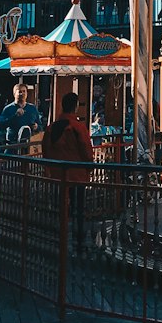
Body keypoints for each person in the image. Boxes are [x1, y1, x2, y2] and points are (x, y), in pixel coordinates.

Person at [42, 92, 94, 249]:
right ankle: (79, 240)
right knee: (78, 208)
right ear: (75, 106)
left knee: (61, 206)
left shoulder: (52, 128)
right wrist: (88, 166)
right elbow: (86, 150)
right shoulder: (77, 127)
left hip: (58, 174)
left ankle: (59, 238)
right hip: (76, 174)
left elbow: (46, 150)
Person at [0, 83, 44, 148]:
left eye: (24, 91)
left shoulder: (32, 108)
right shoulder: (8, 109)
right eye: (19, 92)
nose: (22, 94)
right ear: (14, 94)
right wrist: (15, 116)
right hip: (13, 145)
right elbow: (0, 126)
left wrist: (37, 127)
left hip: (28, 146)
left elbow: (41, 126)